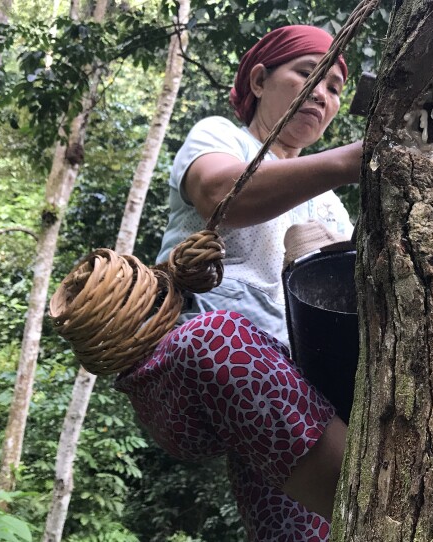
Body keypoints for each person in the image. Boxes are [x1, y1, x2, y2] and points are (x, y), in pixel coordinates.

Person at [114, 25, 362, 541]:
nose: (322, 93)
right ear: (258, 80)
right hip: (188, 378)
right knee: (219, 337)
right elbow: (219, 190)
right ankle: (381, 502)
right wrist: (349, 161)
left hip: (284, 405)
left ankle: (351, 508)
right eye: (307, 73)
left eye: (336, 87)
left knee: (290, 520)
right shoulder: (220, 137)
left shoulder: (330, 206)